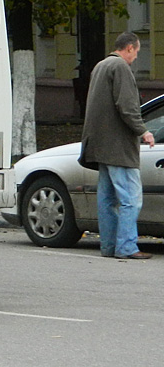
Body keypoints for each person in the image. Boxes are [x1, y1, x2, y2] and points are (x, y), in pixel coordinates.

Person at [79, 32, 155, 259]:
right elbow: (127, 106)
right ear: (129, 48)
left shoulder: (101, 66)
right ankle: (126, 247)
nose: (136, 57)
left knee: (107, 199)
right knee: (131, 198)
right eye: (137, 52)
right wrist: (143, 131)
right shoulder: (120, 68)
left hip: (100, 145)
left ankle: (109, 246)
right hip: (118, 147)